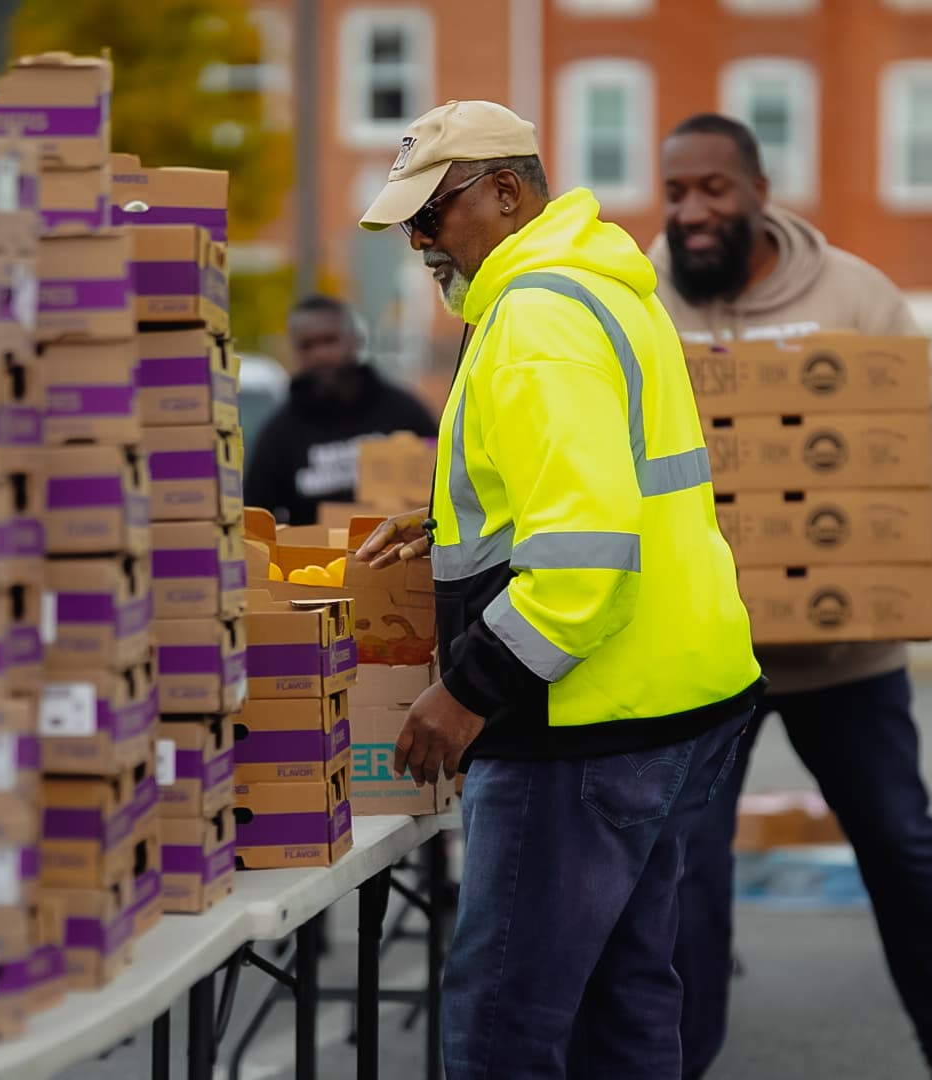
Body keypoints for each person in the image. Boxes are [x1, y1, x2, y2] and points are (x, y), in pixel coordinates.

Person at [353, 99, 764, 1079]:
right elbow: (597, 491)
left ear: (504, 192)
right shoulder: (599, 289)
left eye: (431, 212)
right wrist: (453, 525)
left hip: (579, 726)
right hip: (665, 705)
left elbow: (581, 562)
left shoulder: (535, 319)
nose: (417, 239)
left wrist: (464, 693)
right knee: (624, 999)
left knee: (506, 1021)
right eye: (405, 221)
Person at [651, 113, 932, 1080]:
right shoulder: (638, 300)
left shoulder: (855, 294)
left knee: (900, 844)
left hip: (847, 654)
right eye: (676, 193)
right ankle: (681, 1064)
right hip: (704, 658)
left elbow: (928, 419)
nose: (693, 211)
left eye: (713, 189)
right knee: (689, 876)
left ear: (759, 189)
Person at [242, 294, 437, 525]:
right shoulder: (280, 434)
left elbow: (446, 482)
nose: (320, 354)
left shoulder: (404, 412)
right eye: (307, 346)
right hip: (314, 560)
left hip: (398, 556)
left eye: (329, 340)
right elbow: (254, 518)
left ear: (355, 340)